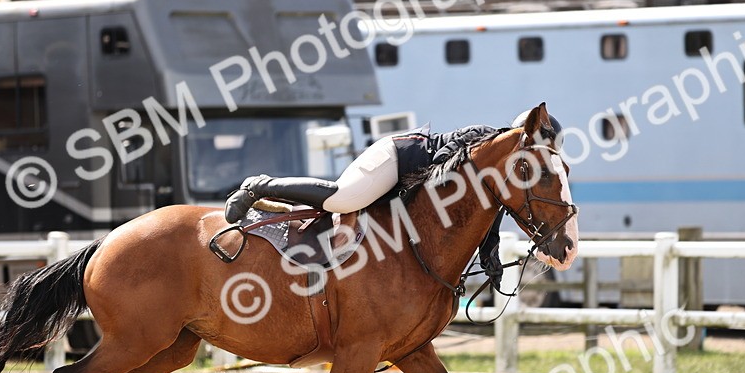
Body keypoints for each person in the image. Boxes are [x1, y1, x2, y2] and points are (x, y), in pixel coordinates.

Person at [222, 110, 563, 223]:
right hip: (396, 157)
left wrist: (490, 259)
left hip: (403, 176)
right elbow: (440, 175)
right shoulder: (482, 141)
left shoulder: (498, 173)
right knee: (343, 199)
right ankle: (260, 185)